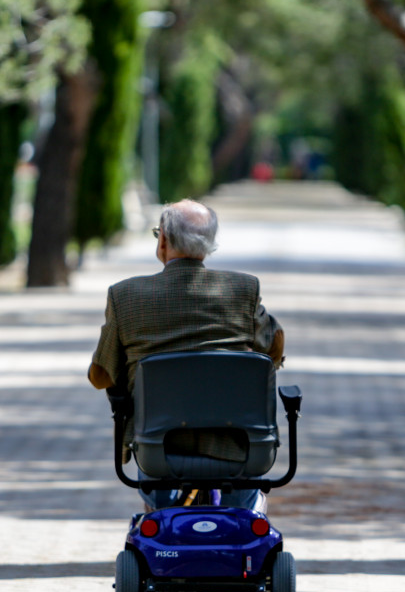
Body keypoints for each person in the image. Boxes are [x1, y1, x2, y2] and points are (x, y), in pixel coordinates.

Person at [88, 199, 284, 511]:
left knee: (156, 503)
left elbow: (102, 376)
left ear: (163, 239)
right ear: (209, 245)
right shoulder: (243, 289)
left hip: (160, 452)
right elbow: (273, 348)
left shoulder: (125, 295)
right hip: (238, 449)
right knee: (248, 502)